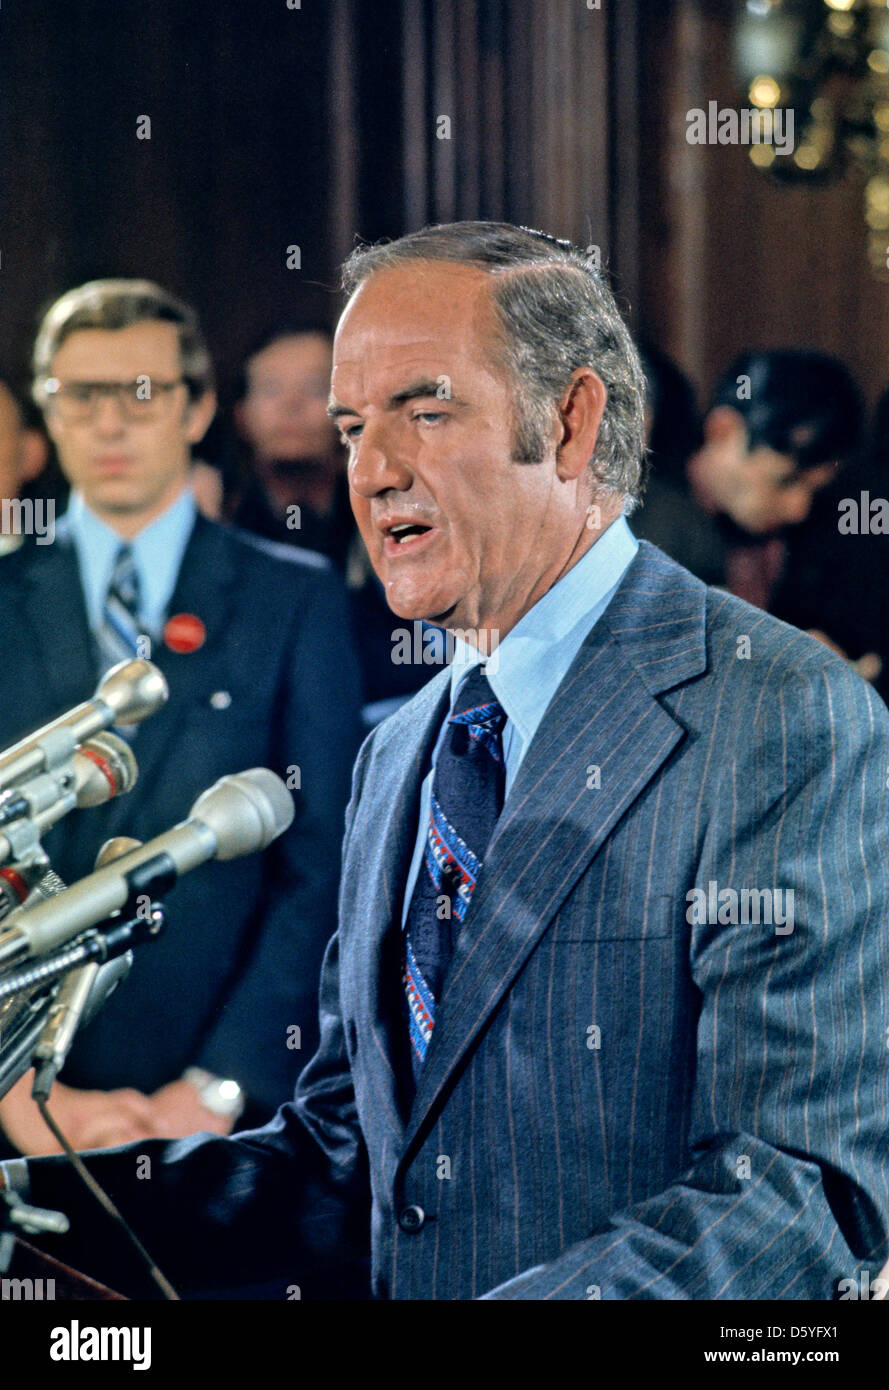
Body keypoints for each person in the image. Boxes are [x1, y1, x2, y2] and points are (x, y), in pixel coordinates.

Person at [3, 225, 888, 1301]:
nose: (371, 471)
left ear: (570, 422)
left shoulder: (782, 713)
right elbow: (349, 1153)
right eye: (350, 426)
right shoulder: (401, 749)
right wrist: (34, 1217)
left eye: (424, 412)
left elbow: (798, 1194)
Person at [0, 279, 362, 1158]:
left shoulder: (295, 599)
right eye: (81, 396)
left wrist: (217, 1087)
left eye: (141, 393)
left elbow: (322, 869)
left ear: (198, 409)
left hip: (223, 1121)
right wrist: (14, 1091)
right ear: (47, 411)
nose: (109, 425)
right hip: (14, 1120)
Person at [632, 349, 862, 610]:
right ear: (724, 430)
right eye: (785, 480)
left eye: (814, 491)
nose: (799, 509)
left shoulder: (805, 543)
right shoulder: (643, 516)